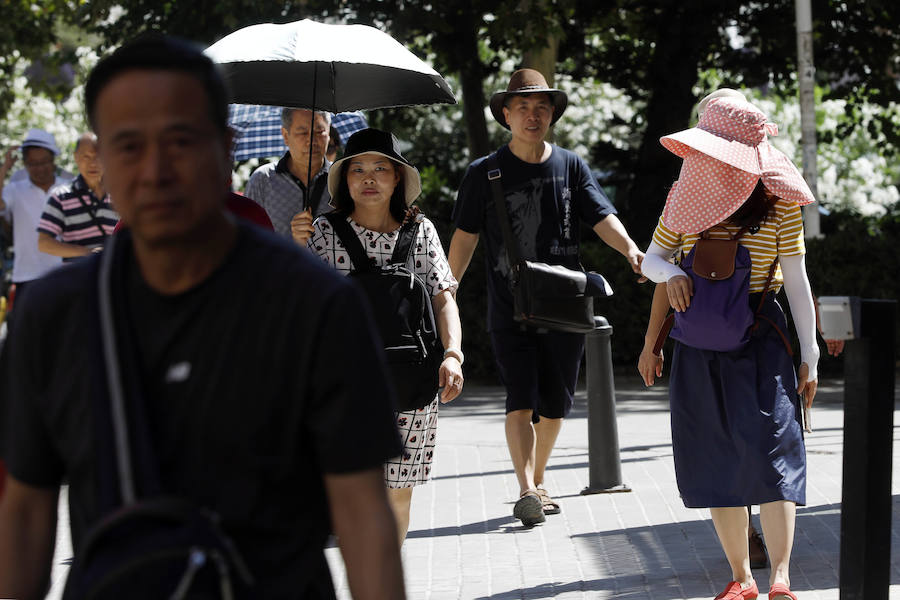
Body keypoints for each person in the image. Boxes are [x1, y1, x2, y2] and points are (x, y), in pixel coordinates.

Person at [0, 35, 405, 599]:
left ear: (224, 145)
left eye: (180, 140)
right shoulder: (51, 316)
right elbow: (24, 510)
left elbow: (363, 515)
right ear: (97, 161)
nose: (156, 168)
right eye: (128, 146)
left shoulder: (316, 306)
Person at [639, 96, 819, 600]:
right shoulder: (686, 196)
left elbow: (798, 282)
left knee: (776, 448)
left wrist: (811, 352)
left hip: (764, 337)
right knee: (715, 454)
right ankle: (741, 579)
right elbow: (652, 260)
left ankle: (779, 578)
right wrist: (672, 272)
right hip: (698, 341)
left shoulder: (779, 200)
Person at [448, 69, 643, 527]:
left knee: (556, 402)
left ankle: (538, 480)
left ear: (551, 114)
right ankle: (526, 489)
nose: (532, 116)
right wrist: (447, 291)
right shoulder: (485, 172)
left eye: (541, 108)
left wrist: (631, 249)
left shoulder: (571, 166)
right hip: (508, 305)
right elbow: (464, 238)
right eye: (522, 108)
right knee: (520, 397)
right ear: (506, 114)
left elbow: (602, 217)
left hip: (563, 304)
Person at [296, 127, 464, 545]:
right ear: (344, 180)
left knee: (398, 497)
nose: (369, 178)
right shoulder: (321, 232)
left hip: (411, 383)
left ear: (398, 179)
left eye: (381, 169)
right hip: (343, 384)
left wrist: (453, 354)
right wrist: (294, 247)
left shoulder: (421, 232)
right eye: (358, 170)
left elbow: (444, 298)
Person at [244, 107, 332, 240]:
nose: (312, 141)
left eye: (319, 131)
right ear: (285, 136)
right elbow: (248, 239)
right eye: (302, 133)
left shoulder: (342, 179)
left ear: (329, 133)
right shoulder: (263, 180)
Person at [0, 129, 65, 300]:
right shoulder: (15, 190)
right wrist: (5, 168)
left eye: (44, 162)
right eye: (32, 164)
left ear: (53, 161)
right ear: (25, 165)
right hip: (27, 277)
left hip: (65, 274)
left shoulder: (69, 188)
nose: (39, 168)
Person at [37, 132, 118, 258]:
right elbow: (44, 243)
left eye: (98, 157)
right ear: (76, 157)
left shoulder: (121, 194)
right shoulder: (61, 196)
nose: (92, 163)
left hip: (115, 275)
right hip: (77, 276)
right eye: (86, 156)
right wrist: (88, 253)